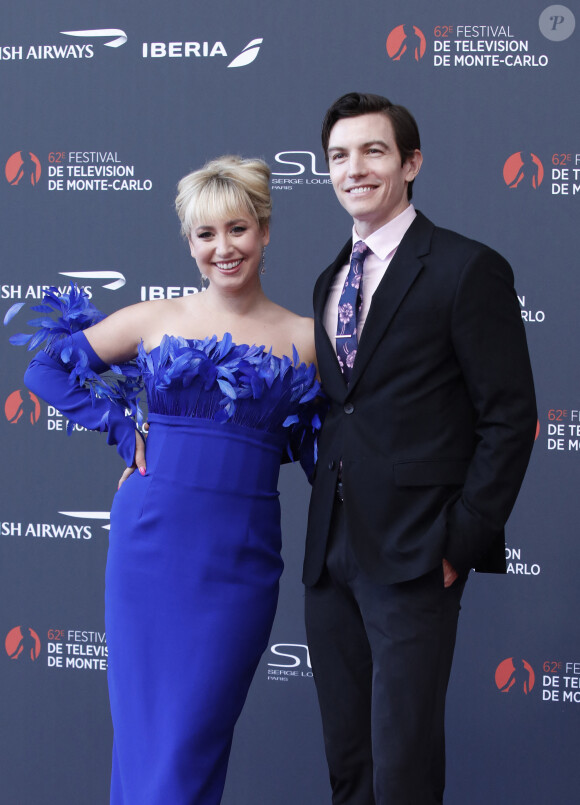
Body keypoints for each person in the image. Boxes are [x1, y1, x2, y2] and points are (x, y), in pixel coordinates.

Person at [19, 155, 319, 805]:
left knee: (192, 741)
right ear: (190, 245)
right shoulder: (157, 318)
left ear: (265, 232)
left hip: (240, 556)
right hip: (151, 544)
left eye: (237, 229)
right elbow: (46, 369)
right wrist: (127, 434)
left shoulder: (307, 338)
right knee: (146, 738)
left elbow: (326, 440)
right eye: (205, 235)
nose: (223, 248)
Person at [303, 92, 537, 805]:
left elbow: (510, 415)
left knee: (403, 769)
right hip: (331, 551)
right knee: (351, 764)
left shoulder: (468, 267)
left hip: (415, 551)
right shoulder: (330, 277)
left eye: (373, 151)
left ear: (411, 162)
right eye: (339, 156)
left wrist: (458, 542)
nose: (354, 169)